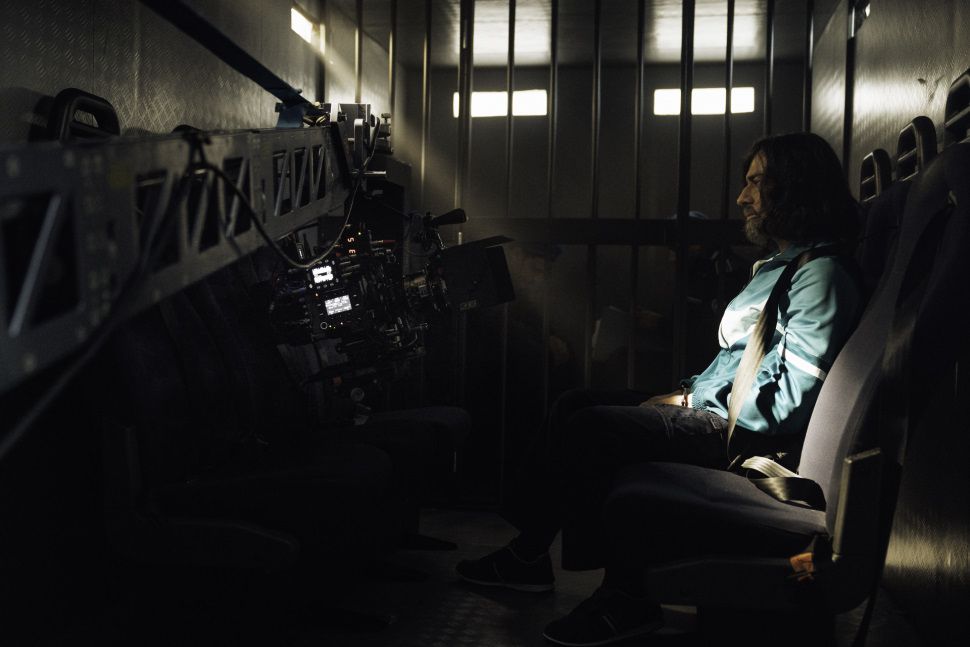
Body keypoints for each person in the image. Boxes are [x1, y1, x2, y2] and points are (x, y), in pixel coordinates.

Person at [454, 132, 864, 646]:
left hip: (741, 436)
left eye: (757, 182)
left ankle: (627, 595)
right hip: (717, 410)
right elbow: (742, 365)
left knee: (593, 429)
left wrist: (690, 403)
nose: (743, 197)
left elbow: (784, 403)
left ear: (796, 187)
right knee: (574, 403)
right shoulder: (783, 268)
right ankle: (527, 555)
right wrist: (688, 395)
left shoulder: (820, 277)